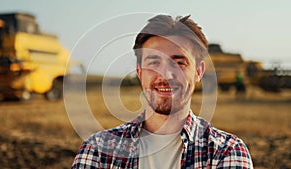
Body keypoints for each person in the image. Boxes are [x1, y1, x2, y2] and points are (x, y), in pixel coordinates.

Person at [71, 14, 253, 169]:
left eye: (179, 62)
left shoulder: (227, 152)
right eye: (154, 62)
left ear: (198, 72)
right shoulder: (97, 151)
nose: (165, 74)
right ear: (139, 72)